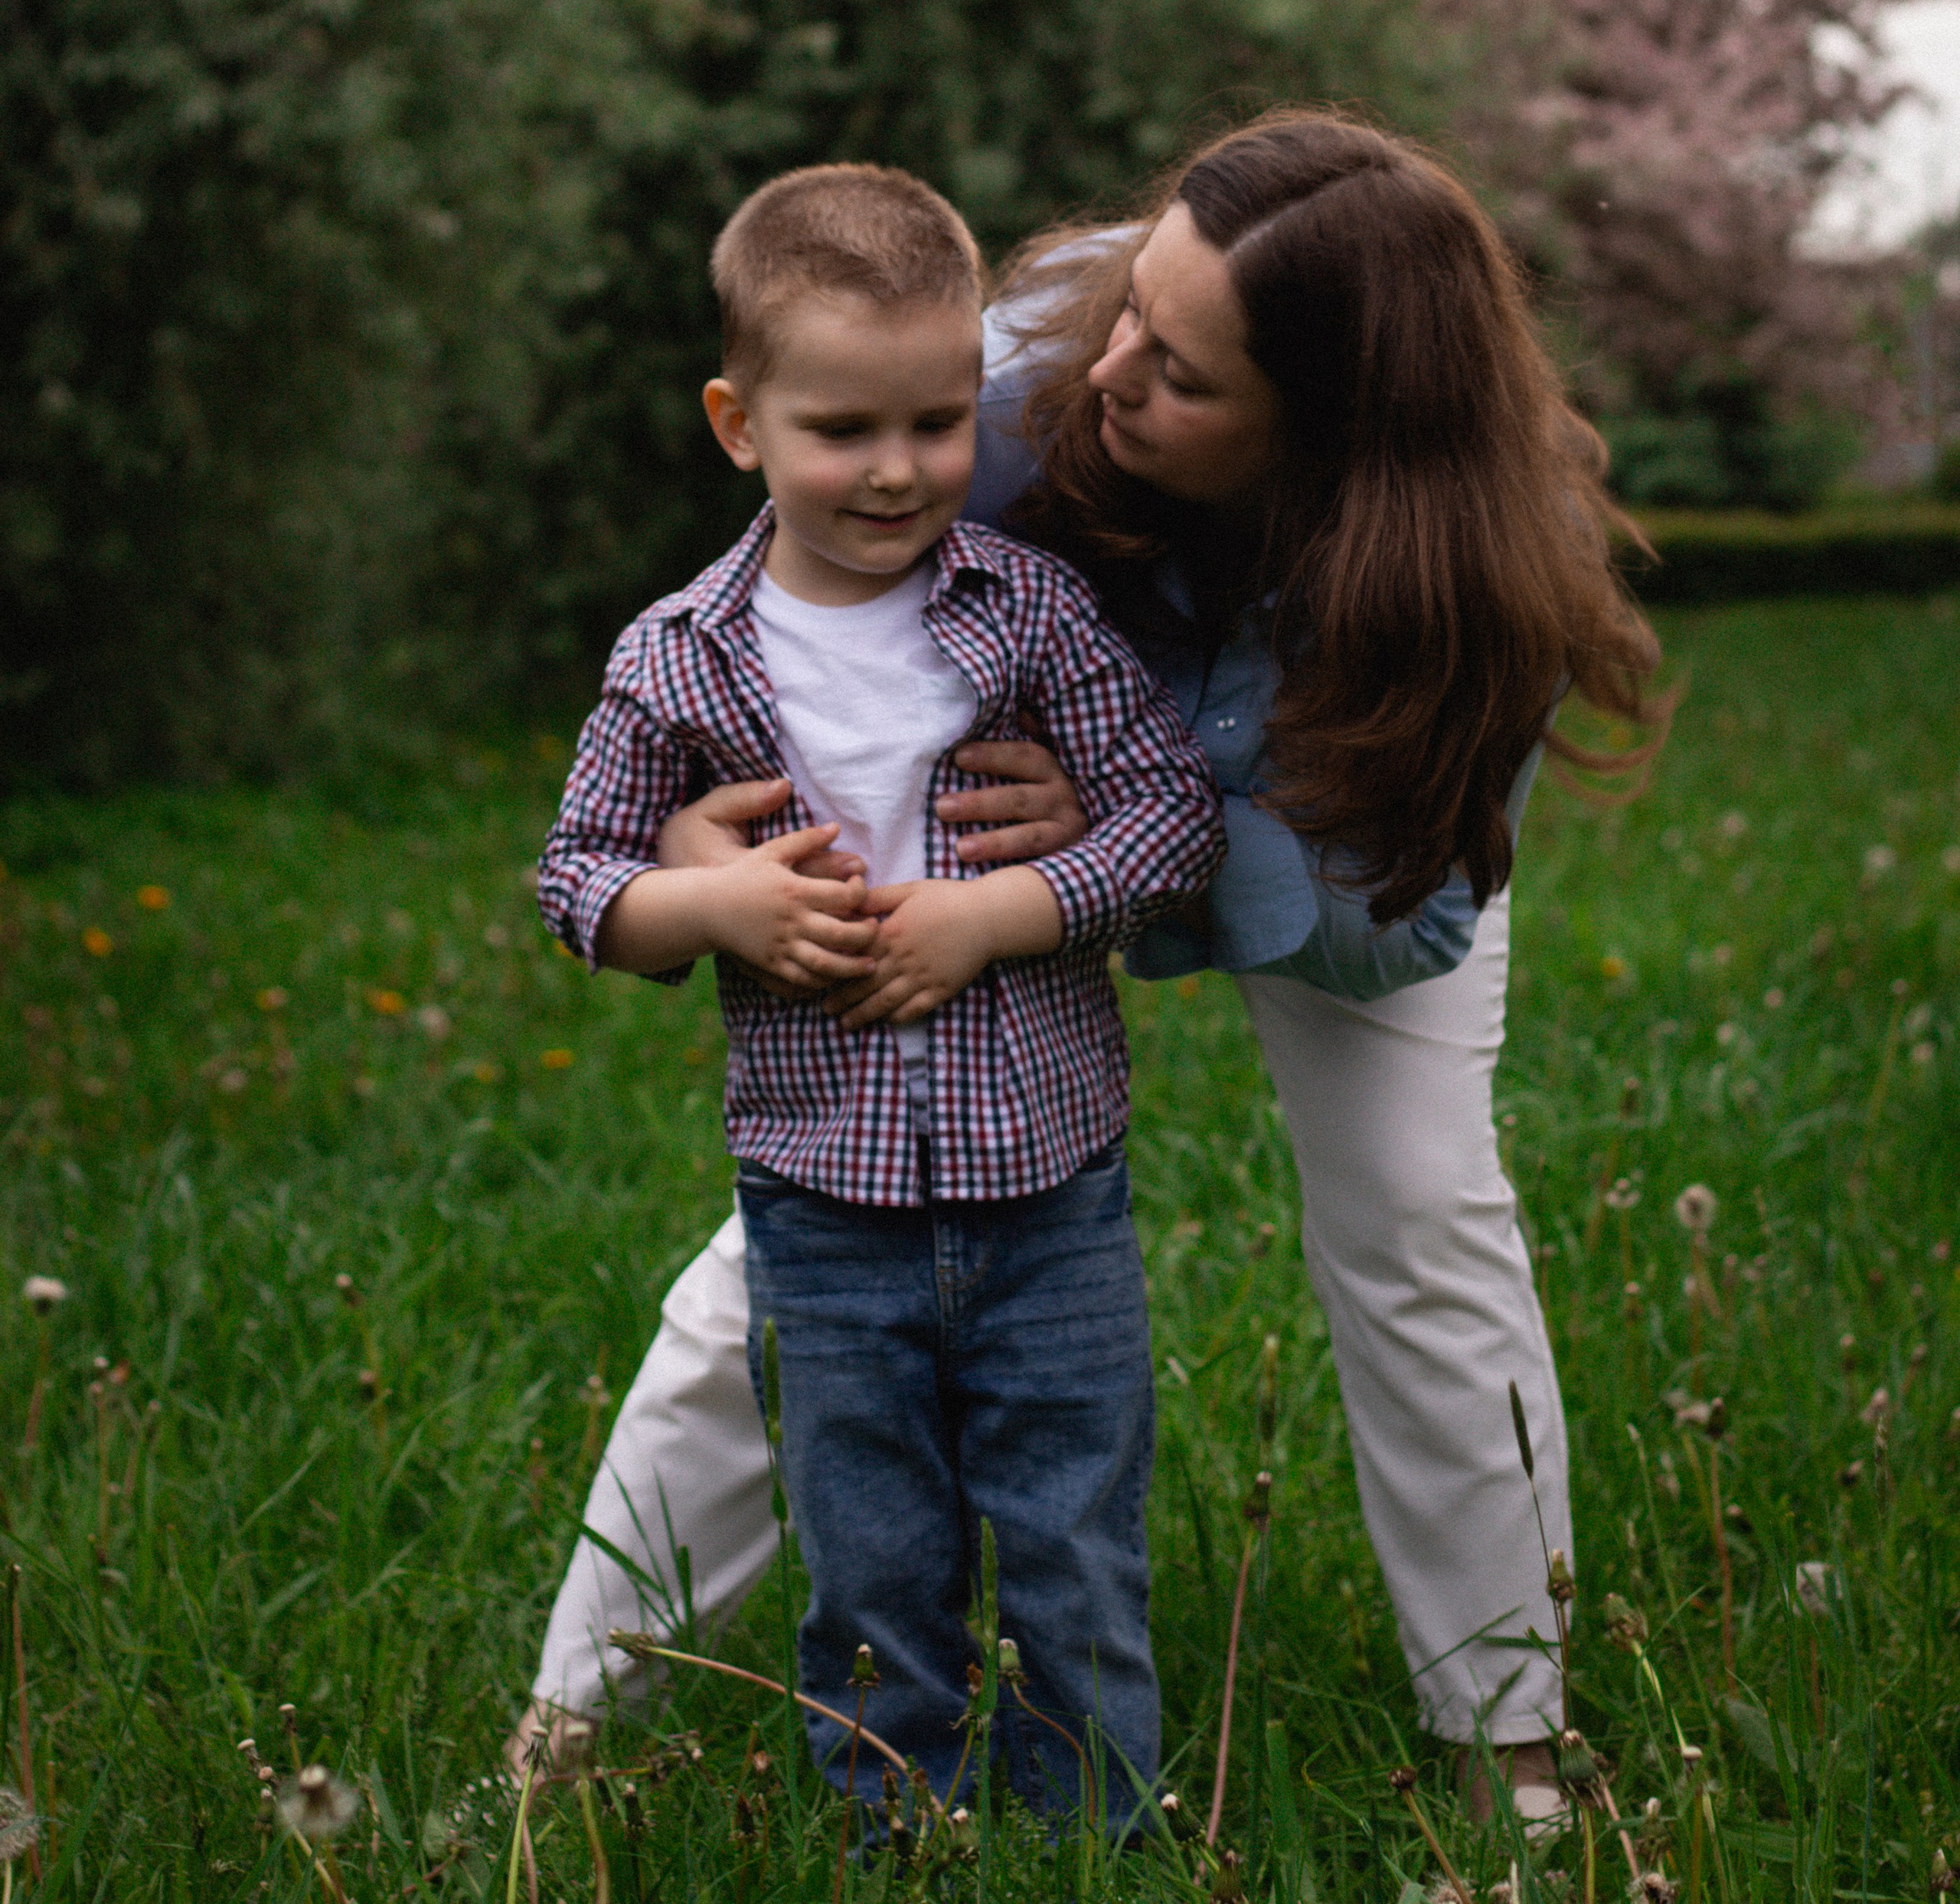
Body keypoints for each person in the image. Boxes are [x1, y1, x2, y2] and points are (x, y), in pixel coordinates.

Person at [522, 110, 1665, 1831]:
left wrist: (1112, 850)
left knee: (1419, 1212)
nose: (1110, 369)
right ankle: (571, 1714)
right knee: (801, 1246)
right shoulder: (994, 398)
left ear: (1325, 432)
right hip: (981, 868)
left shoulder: (1472, 581)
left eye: (1182, 373)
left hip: (1321, 853)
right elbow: (782, 602)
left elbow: (1396, 925)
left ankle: (1509, 1733)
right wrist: (699, 855)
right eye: (1135, 303)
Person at [534, 163, 1227, 1820]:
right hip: (823, 1205)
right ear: (739, 424)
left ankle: (1088, 1830)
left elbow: (1171, 816)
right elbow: (578, 883)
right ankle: (889, 1832)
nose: (898, 469)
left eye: (935, 422)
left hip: (1049, 1188)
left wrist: (1001, 916)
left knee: (1072, 1534)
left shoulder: (1031, 611)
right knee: (868, 1553)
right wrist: (713, 903)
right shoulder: (679, 656)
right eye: (842, 429)